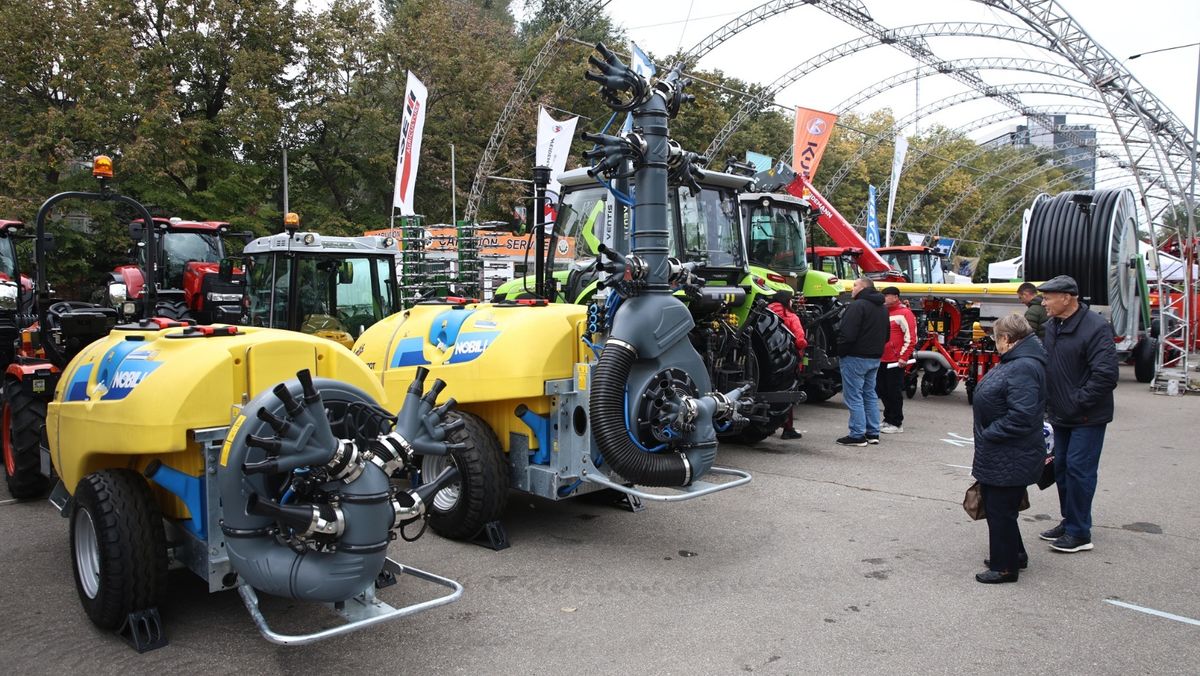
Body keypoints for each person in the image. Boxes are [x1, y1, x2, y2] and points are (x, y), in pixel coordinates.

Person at [1036, 275, 1119, 553]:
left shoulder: (1096, 328)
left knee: (1079, 471)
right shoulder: (1053, 327)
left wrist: (1076, 402)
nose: (1044, 302)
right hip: (1060, 413)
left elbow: (1106, 376)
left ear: (1067, 298)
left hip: (1087, 416)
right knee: (1061, 470)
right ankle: (1069, 520)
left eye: (1048, 297)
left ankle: (1080, 533)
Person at [970, 313, 1047, 583]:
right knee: (1000, 507)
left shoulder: (1023, 366)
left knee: (1000, 509)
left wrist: (990, 433)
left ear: (1006, 338)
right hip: (1006, 451)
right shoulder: (1019, 361)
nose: (994, 344)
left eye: (995, 338)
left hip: (1010, 451)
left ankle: (1005, 567)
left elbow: (1022, 415)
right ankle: (1014, 554)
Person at [835, 277, 889, 446]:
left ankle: (857, 434)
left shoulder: (857, 306)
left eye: (855, 285)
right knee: (870, 395)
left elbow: (847, 334)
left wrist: (840, 351)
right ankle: (873, 432)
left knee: (854, 396)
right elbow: (886, 334)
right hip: (874, 357)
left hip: (855, 357)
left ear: (864, 287)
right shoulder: (883, 308)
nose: (852, 288)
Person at [767, 288, 808, 440]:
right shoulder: (791, 316)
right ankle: (788, 428)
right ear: (787, 301)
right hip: (786, 362)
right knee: (788, 393)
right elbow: (800, 340)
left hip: (767, 363)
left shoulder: (766, 314)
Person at [877, 286, 917, 434]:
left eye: (887, 296)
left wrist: (903, 357)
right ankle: (888, 419)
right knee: (883, 390)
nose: (884, 298)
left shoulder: (905, 313)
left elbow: (911, 338)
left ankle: (896, 422)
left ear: (895, 297)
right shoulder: (883, 312)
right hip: (881, 359)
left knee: (893, 391)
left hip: (895, 360)